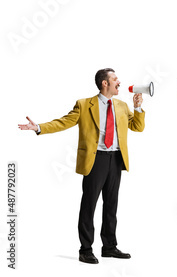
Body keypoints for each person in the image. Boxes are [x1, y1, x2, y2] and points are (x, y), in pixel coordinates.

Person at [18, 68, 145, 264]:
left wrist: (137, 108)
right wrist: (39, 127)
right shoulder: (85, 104)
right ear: (105, 83)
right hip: (95, 160)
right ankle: (85, 249)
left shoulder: (121, 105)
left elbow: (138, 127)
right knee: (89, 204)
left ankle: (109, 246)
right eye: (115, 79)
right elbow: (64, 122)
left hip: (116, 159)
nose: (119, 81)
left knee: (111, 205)